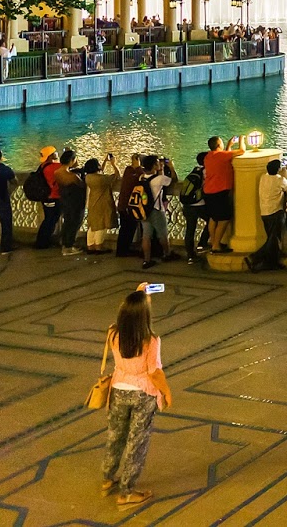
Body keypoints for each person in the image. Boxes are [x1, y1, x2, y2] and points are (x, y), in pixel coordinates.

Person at [99, 287, 173, 506]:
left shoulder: (113, 333)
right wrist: (167, 391)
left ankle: (107, 479)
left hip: (118, 391)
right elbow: (154, 372)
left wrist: (140, 293)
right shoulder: (150, 340)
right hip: (143, 393)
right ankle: (126, 492)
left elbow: (131, 308)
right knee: (136, 443)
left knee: (115, 436)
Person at [201, 135, 239, 253]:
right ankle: (216, 246)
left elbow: (222, 157)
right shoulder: (221, 156)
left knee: (213, 218)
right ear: (218, 145)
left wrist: (229, 145)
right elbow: (241, 151)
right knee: (224, 219)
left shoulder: (208, 157)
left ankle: (213, 243)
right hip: (220, 192)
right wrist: (242, 139)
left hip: (208, 192)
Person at [84, 156, 120, 254]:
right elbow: (117, 175)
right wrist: (113, 164)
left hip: (92, 203)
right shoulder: (102, 179)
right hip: (102, 204)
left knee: (93, 225)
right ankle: (98, 246)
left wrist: (104, 162)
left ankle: (90, 245)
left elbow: (100, 174)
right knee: (101, 225)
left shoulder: (88, 177)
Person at [56, 149, 87, 255]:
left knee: (67, 222)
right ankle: (68, 247)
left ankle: (64, 243)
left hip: (64, 200)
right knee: (75, 223)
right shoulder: (73, 176)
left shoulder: (57, 172)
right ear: (72, 160)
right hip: (75, 203)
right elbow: (82, 185)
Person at [33, 145, 63, 249]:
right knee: (50, 220)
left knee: (48, 219)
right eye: (55, 152)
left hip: (46, 197)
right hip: (53, 197)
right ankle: (42, 243)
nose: (57, 153)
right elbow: (68, 166)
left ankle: (42, 241)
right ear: (51, 155)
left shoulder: (43, 166)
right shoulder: (53, 167)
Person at [177, 152, 206, 262]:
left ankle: (190, 255)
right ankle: (202, 244)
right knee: (213, 221)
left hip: (188, 205)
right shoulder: (205, 172)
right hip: (200, 205)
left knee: (190, 230)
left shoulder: (194, 171)